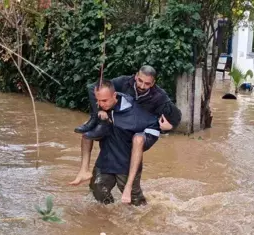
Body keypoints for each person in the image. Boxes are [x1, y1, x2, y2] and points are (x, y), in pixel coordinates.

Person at [69, 65, 182, 203]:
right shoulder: (123, 82)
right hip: (123, 123)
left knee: (137, 140)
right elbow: (95, 88)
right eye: (140, 81)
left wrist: (168, 127)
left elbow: (176, 116)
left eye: (147, 84)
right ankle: (106, 208)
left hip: (145, 128)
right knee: (98, 187)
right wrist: (99, 112)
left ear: (153, 83)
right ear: (135, 76)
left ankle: (130, 190)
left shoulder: (159, 96)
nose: (142, 85)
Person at [87, 80, 160, 206]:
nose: (100, 104)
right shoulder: (100, 110)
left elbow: (153, 127)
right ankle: (108, 217)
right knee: (98, 189)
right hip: (105, 161)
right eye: (98, 101)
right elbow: (90, 87)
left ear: (114, 96)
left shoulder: (135, 115)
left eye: (104, 101)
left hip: (126, 164)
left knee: (136, 204)